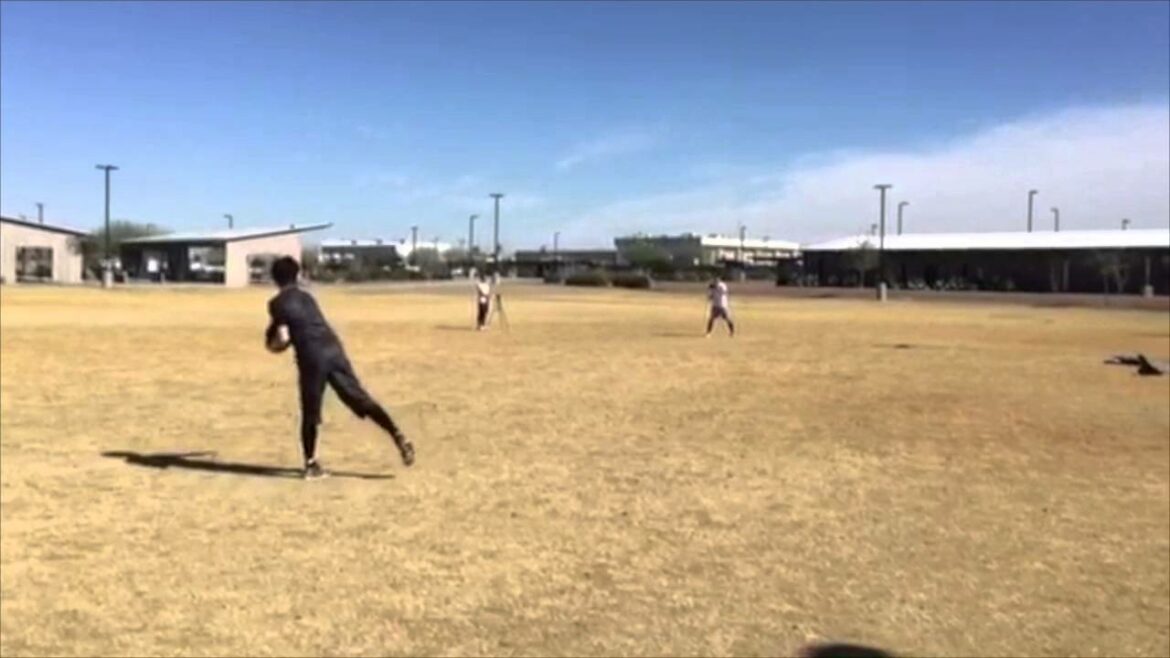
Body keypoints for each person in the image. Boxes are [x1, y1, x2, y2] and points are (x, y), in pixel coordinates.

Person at [264, 256, 414, 479]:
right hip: (333, 349)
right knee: (360, 398)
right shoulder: (308, 298)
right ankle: (397, 434)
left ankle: (311, 464)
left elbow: (282, 337)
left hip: (311, 357)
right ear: (297, 275)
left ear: (275, 278)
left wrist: (273, 344)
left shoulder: (277, 304)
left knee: (310, 412)